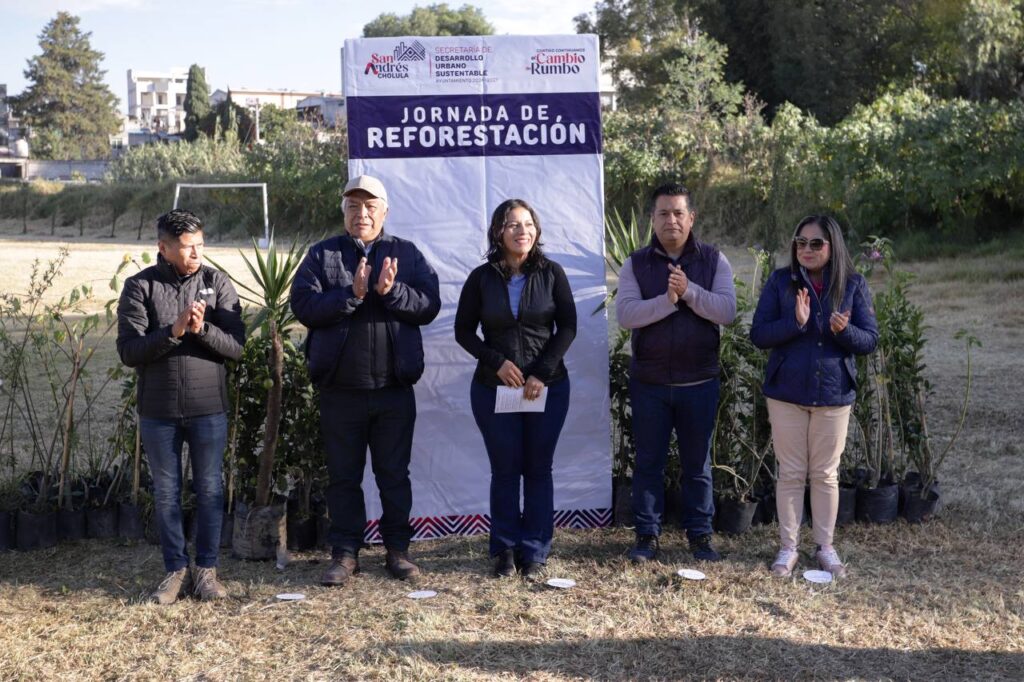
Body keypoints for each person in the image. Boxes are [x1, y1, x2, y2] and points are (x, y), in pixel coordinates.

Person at [290, 174, 441, 586]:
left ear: (384, 212)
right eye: (354, 207)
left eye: (370, 206)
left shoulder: (405, 254)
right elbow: (302, 304)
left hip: (394, 390)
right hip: (341, 391)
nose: (362, 214)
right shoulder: (323, 255)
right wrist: (351, 295)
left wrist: (391, 293)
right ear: (344, 212)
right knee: (343, 476)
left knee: (394, 475)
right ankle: (345, 553)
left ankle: (397, 550)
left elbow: (429, 304)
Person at [116, 209, 245, 604]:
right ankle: (175, 570)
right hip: (159, 411)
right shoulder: (140, 287)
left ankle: (206, 571)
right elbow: (129, 351)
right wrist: (171, 333)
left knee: (209, 490)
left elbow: (237, 348)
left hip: (208, 408)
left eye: (200, 246)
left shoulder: (216, 282)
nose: (195, 255)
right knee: (167, 493)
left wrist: (201, 330)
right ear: (164, 247)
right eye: (187, 248)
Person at [454, 199, 577, 579]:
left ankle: (535, 551)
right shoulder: (481, 277)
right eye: (512, 225)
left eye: (528, 224)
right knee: (505, 470)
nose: (521, 231)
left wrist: (541, 372)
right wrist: (497, 362)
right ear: (498, 232)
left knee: (538, 469)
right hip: (494, 389)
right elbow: (463, 332)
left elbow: (568, 328)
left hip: (547, 388)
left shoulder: (552, 273)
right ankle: (505, 549)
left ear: (536, 232)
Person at [750, 215, 878, 578]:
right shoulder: (780, 281)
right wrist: (795, 322)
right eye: (800, 242)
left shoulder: (853, 284)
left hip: (834, 393)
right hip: (786, 392)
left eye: (815, 243)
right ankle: (788, 548)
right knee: (790, 473)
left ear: (832, 245)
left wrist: (844, 331)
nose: (805, 249)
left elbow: (869, 340)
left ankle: (825, 547)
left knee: (824, 474)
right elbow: (758, 334)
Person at [615, 183, 737, 563]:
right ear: (652, 219)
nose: (672, 220)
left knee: (697, 465)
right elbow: (626, 315)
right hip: (649, 383)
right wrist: (667, 302)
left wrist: (689, 293)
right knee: (648, 463)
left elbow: (727, 312)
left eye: (679, 213)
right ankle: (647, 536)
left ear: (692, 218)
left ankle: (700, 536)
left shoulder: (714, 260)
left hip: (699, 382)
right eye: (664, 213)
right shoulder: (636, 263)